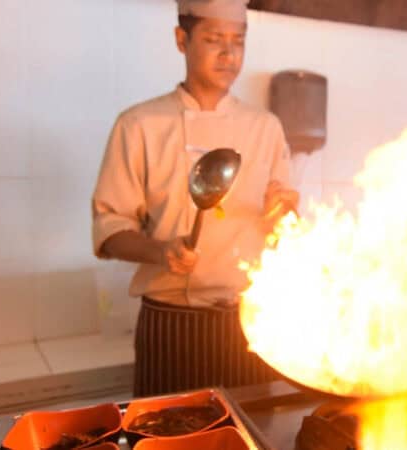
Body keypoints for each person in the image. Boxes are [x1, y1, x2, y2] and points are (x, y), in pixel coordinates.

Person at [92, 0, 299, 397]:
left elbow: (281, 224)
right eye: (214, 39)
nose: (229, 54)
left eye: (238, 41)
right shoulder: (140, 125)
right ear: (181, 39)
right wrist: (161, 250)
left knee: (247, 437)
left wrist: (283, 215)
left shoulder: (265, 128)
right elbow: (110, 229)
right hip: (171, 326)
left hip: (250, 323)